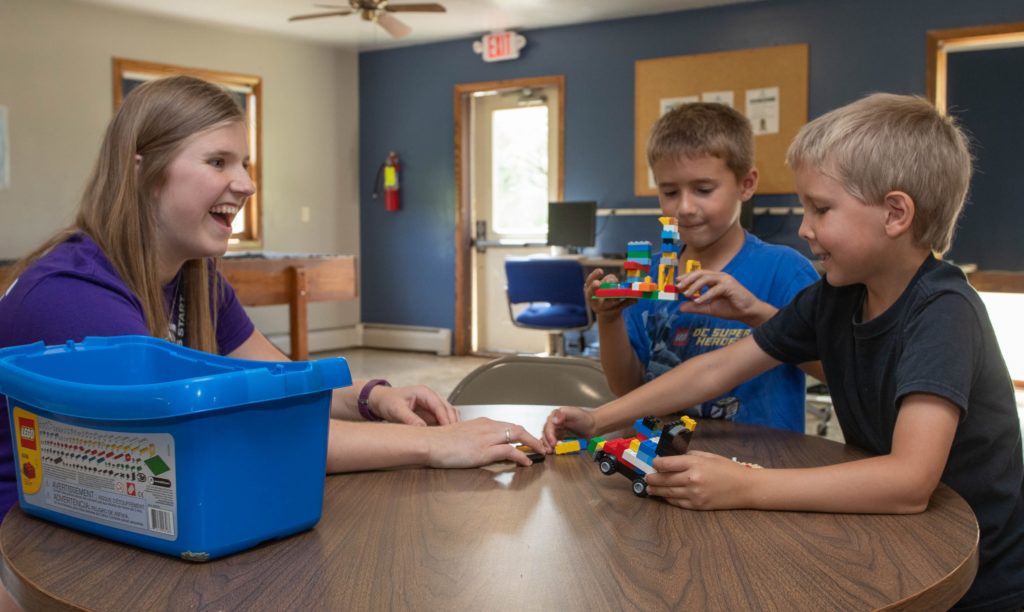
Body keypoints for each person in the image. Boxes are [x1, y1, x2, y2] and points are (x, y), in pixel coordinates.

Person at [545, 93, 1023, 611]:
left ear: (895, 213)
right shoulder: (838, 296)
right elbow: (718, 368)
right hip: (896, 536)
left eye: (820, 208)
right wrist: (599, 419)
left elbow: (908, 481)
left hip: (974, 573)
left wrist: (746, 485)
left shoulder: (943, 310)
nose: (804, 227)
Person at [0, 75, 546, 521]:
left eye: (245, 165)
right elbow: (247, 438)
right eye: (218, 162)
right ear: (141, 172)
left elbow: (279, 385)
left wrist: (373, 396)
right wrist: (437, 446)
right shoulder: (73, 296)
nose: (245, 185)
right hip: (31, 549)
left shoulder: (198, 278)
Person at [587, 102, 818, 432]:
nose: (684, 207)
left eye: (704, 189)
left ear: (746, 184)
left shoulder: (785, 271)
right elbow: (627, 387)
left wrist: (757, 313)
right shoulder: (651, 274)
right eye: (669, 191)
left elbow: (832, 368)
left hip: (763, 466)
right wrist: (608, 319)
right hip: (663, 458)